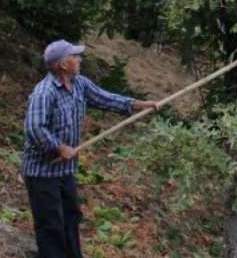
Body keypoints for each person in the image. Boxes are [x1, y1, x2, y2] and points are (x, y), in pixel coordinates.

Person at [22, 40, 159, 258]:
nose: (80, 59)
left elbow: (105, 98)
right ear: (64, 64)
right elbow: (34, 128)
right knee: (51, 225)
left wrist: (137, 104)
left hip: (64, 171)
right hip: (42, 173)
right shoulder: (44, 93)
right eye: (75, 56)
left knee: (71, 216)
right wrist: (59, 147)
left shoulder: (79, 84)